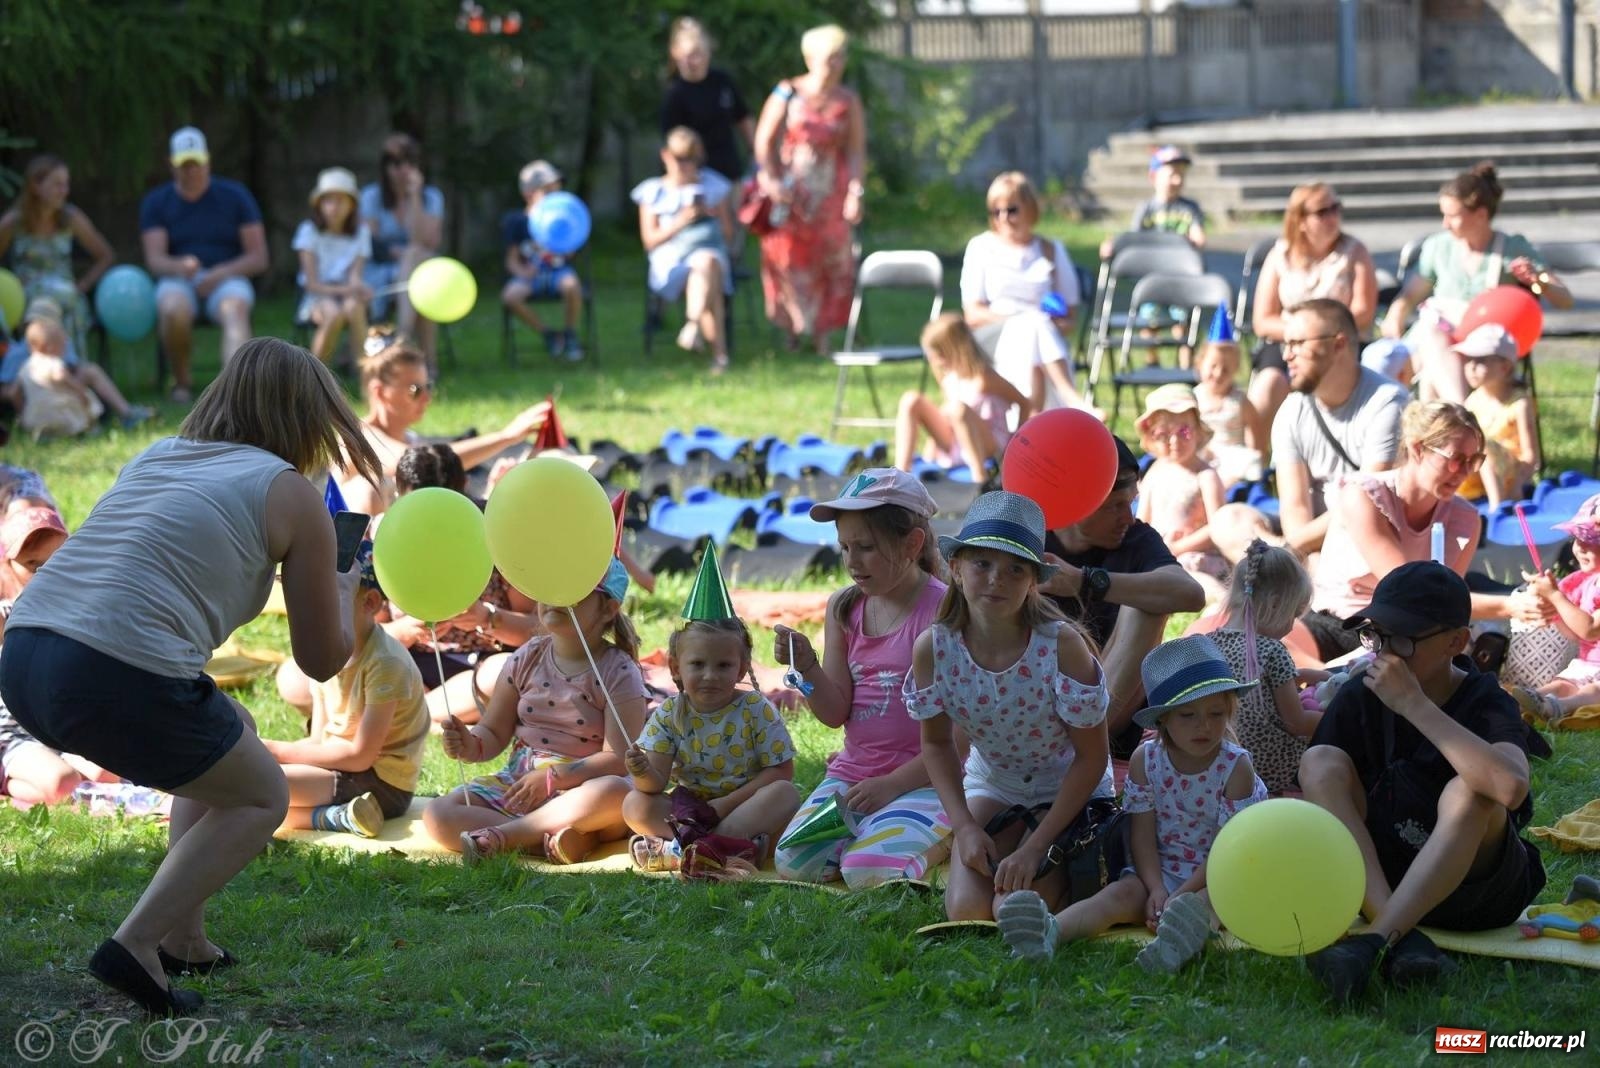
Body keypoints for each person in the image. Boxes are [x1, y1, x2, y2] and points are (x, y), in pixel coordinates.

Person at [0, 336, 382, 1015]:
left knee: (229, 728)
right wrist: (343, 586)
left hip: (23, 654)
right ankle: (137, 941)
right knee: (262, 794)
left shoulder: (157, 455)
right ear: (308, 422)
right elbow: (323, 659)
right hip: (109, 671)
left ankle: (185, 936)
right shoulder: (292, 495)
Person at [1301, 562, 1545, 1003]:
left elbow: (1511, 789)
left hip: (1477, 892)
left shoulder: (1485, 699)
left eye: (1404, 639)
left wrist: (1414, 706)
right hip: (1386, 880)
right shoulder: (1363, 693)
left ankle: (1374, 942)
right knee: (1319, 762)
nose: (1386, 653)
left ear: (1457, 641)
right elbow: (1326, 792)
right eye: (1376, 635)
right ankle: (1399, 937)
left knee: (1471, 789)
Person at [997, 634, 1266, 972]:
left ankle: (1172, 952)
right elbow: (1141, 835)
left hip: (1220, 869)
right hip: (1159, 867)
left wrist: (1180, 894)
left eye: (1216, 713)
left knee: (1205, 906)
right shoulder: (1146, 760)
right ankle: (1047, 935)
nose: (1205, 726)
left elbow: (1230, 847)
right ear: (1163, 719)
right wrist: (1155, 888)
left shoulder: (1235, 766)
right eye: (1188, 715)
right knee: (1119, 896)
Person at [905, 491, 1112, 921]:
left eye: (1015, 569)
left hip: (1068, 790)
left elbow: (1093, 758)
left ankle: (1064, 867)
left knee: (1012, 907)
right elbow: (938, 745)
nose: (998, 579)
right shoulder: (934, 648)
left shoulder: (1062, 647)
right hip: (995, 783)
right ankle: (1005, 848)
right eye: (983, 564)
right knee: (966, 910)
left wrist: (1036, 848)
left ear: (1033, 581)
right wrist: (962, 826)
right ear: (956, 568)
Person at [770, 470, 951, 888]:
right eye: (845, 547)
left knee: (867, 870)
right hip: (855, 776)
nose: (852, 561)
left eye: (866, 548)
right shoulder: (844, 608)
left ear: (913, 544)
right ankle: (882, 833)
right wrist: (809, 670)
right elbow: (834, 712)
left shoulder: (944, 611)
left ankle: (950, 832)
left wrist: (891, 786)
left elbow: (961, 736)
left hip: (928, 778)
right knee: (796, 860)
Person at [426, 559, 650, 864]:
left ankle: (505, 837)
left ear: (608, 609)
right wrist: (470, 743)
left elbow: (618, 759)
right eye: (547, 588)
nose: (555, 598)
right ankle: (551, 841)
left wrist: (555, 778)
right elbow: (492, 732)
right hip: (522, 783)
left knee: (613, 792)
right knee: (438, 814)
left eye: (572, 592)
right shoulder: (525, 657)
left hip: (582, 789)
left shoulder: (619, 671)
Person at [625, 553, 800, 877]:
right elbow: (654, 784)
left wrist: (724, 804)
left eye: (723, 666)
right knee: (635, 805)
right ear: (676, 667)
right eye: (697, 665)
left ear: (742, 668)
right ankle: (726, 849)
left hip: (742, 807)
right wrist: (641, 771)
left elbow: (781, 773)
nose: (710, 676)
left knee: (785, 795)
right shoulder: (668, 715)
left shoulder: (755, 709)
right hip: (688, 810)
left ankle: (684, 850)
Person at [1041, 436, 1206, 755]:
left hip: (1103, 723)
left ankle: (1078, 746)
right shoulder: (1032, 538)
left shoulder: (1136, 539)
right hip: (1025, 706)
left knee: (1149, 602)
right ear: (1077, 505)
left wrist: (1085, 582)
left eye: (1130, 502)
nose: (1128, 517)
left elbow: (1190, 594)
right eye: (1115, 507)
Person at [264, 543, 427, 838]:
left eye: (331, 597)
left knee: (263, 785)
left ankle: (330, 815)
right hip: (340, 768)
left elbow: (360, 756)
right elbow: (320, 741)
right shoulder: (325, 654)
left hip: (384, 785)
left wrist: (276, 751)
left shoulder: (386, 662)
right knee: (255, 784)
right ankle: (335, 817)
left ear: (370, 602)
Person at [1304, 402, 1484, 661]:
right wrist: (1509, 606)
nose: (1465, 473)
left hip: (1409, 636)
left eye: (1474, 460)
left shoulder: (1465, 518)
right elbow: (1410, 592)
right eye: (1456, 459)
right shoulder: (1363, 495)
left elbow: (1446, 606)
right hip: (1337, 627)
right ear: (1417, 448)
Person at [1381, 162, 1572, 403]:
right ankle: (1462, 416)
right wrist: (1395, 316)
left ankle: (1456, 418)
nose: (1445, 224)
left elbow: (1564, 299)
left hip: (1484, 348)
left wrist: (1538, 280)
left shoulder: (1510, 249)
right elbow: (1409, 297)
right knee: (1417, 344)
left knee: (1432, 365)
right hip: (1441, 339)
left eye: (1452, 216)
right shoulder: (1438, 247)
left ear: (1480, 215)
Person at [335, 334, 549, 515]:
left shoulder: (412, 439)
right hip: (360, 558)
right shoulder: (357, 436)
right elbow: (422, 463)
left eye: (428, 387)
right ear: (379, 392)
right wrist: (506, 436)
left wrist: (493, 490)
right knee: (368, 489)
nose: (427, 398)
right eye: (415, 390)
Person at [752, 23, 864, 354]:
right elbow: (763, 140)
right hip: (790, 193)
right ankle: (792, 332)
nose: (836, 64)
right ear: (810, 58)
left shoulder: (848, 100)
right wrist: (770, 178)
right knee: (788, 259)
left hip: (832, 192)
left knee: (831, 261)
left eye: (840, 57)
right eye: (829, 57)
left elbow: (856, 150)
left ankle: (823, 337)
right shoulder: (787, 92)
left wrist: (857, 191)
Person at [0, 505, 119, 806]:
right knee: (62, 782)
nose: (48, 573)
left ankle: (52, 781)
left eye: (58, 560)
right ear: (6, 567)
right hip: (9, 736)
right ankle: (12, 782)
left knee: (107, 772)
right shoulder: (6, 616)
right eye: (33, 564)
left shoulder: (79, 611)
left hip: (58, 728)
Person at [139, 127, 268, 403]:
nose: (191, 171)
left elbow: (258, 257)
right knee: (172, 309)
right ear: (172, 165)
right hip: (179, 278)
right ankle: (182, 382)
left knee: (235, 308)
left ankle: (235, 393)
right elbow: (155, 259)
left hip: (228, 276)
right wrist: (179, 265)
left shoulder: (236, 196)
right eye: (184, 165)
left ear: (207, 161)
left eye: (196, 164)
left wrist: (222, 272)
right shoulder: (156, 202)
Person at [1272, 298, 1410, 555]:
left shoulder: (1388, 403)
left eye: (1298, 344)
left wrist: (1288, 550)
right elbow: (1294, 505)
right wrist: (1301, 553)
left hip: (1367, 539)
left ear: (1339, 344)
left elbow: (1371, 502)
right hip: (1308, 539)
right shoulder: (1291, 410)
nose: (1286, 355)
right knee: (1230, 520)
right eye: (1285, 344)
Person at [1248, 183, 1378, 446]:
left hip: (1340, 344)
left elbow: (1363, 312)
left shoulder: (1354, 252)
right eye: (1322, 211)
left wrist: (1322, 337)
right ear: (1301, 220)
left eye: (1335, 208)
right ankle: (1257, 470)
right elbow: (1262, 320)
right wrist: (1303, 337)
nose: (1333, 217)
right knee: (1267, 385)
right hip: (1288, 341)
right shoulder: (1279, 255)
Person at [959, 171, 1094, 422]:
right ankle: (1072, 400)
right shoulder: (981, 247)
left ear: (1030, 209)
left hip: (1043, 341)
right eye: (995, 211)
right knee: (1031, 324)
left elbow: (1070, 318)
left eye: (1011, 210)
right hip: (994, 336)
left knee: (1034, 336)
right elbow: (972, 313)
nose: (1003, 218)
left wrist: (1046, 322)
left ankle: (1030, 423)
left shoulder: (1050, 250)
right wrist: (1020, 318)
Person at [1207, 541, 1319, 794]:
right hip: (1266, 767)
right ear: (1276, 604)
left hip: (1217, 761)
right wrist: (1339, 714)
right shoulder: (1272, 650)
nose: (1292, 625)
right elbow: (1297, 723)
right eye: (1294, 614)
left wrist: (1303, 677)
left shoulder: (1208, 644)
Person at [632, 127, 735, 374]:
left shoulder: (713, 185)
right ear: (665, 155)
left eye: (692, 159)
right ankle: (717, 354)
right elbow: (649, 242)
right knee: (707, 271)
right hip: (670, 260)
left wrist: (708, 218)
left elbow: (729, 234)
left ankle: (693, 325)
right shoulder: (653, 191)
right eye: (680, 158)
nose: (686, 165)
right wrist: (681, 222)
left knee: (706, 262)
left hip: (709, 253)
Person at [0, 154, 115, 359]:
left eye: (66, 184)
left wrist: (83, 285)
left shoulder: (71, 218)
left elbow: (105, 255)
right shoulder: (14, 222)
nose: (64, 191)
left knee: (67, 300)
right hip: (26, 294)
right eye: (57, 184)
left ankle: (72, 367)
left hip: (66, 292)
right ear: (35, 186)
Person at [894, 313, 1027, 476]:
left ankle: (979, 477)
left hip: (987, 444)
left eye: (940, 355)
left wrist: (1013, 445)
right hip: (956, 442)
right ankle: (899, 473)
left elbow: (1024, 403)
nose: (936, 362)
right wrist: (930, 454)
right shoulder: (949, 379)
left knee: (958, 409)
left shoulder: (985, 379)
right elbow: (946, 418)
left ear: (957, 350)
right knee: (911, 400)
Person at [1513, 493, 1600, 725]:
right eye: (1578, 538)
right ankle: (1529, 700)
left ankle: (1559, 707)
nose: (1581, 547)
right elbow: (1574, 634)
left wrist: (1556, 596)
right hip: (1587, 663)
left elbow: (1590, 630)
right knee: (1562, 684)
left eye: (1592, 541)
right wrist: (1554, 611)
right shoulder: (1579, 581)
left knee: (1593, 690)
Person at [360, 133, 445, 363]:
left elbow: (427, 241)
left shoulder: (431, 197)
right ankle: (426, 362)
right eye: (397, 163)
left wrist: (415, 196)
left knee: (416, 261)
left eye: (410, 162)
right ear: (386, 167)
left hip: (417, 266)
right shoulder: (371, 196)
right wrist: (398, 252)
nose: (404, 169)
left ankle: (404, 339)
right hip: (379, 269)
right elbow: (369, 241)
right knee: (423, 291)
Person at [1134, 384, 1228, 591]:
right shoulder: (1154, 472)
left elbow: (1220, 527)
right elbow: (1141, 521)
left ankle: (1220, 600)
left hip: (1194, 554)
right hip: (1159, 552)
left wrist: (1177, 548)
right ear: (1152, 437)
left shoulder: (1205, 476)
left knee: (1186, 572)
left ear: (1197, 432)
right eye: (1163, 434)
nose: (1174, 441)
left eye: (1183, 431)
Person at [9, 316, 154, 439]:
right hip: (61, 414)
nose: (65, 347)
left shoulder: (25, 367)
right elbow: (60, 376)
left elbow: (13, 393)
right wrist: (80, 391)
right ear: (49, 347)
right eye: (62, 344)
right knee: (86, 401)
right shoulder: (53, 362)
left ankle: (46, 436)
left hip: (35, 419)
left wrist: (23, 412)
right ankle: (91, 428)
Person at [501, 160, 584, 361]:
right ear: (528, 194)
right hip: (531, 275)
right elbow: (511, 260)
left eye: (556, 191)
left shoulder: (563, 219)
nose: (554, 197)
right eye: (547, 192)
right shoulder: (518, 222)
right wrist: (522, 272)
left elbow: (570, 254)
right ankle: (549, 334)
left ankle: (570, 333)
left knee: (572, 285)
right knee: (510, 296)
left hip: (558, 272)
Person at [293, 167, 372, 370]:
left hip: (346, 297)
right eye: (329, 200)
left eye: (341, 200)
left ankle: (366, 376)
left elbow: (355, 276)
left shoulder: (361, 233)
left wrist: (359, 287)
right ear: (319, 204)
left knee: (355, 306)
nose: (334, 207)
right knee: (333, 313)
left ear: (351, 205)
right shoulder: (308, 231)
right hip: (315, 297)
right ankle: (314, 376)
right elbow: (312, 284)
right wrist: (348, 290)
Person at [660, 16, 753, 185]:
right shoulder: (675, 93)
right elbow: (672, 142)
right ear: (675, 53)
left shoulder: (723, 82)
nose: (695, 61)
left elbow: (743, 118)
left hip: (729, 172)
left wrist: (757, 156)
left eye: (699, 54)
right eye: (689, 55)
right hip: (696, 180)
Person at [1455, 325, 1536, 508]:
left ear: (1505, 367)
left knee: (1483, 444)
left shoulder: (1519, 404)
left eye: (1480, 361)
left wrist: (1517, 485)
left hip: (1509, 474)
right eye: (1468, 360)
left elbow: (1530, 457)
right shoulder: (1473, 400)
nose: (1471, 367)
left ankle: (1496, 507)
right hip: (1479, 473)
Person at [1193, 328, 1264, 487]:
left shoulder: (1239, 401)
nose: (1218, 373)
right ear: (1200, 363)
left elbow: (1255, 431)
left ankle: (1230, 488)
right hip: (1204, 453)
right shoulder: (1195, 398)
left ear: (1235, 370)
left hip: (1232, 454)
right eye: (1213, 366)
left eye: (1225, 369)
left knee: (1248, 464)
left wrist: (1256, 454)